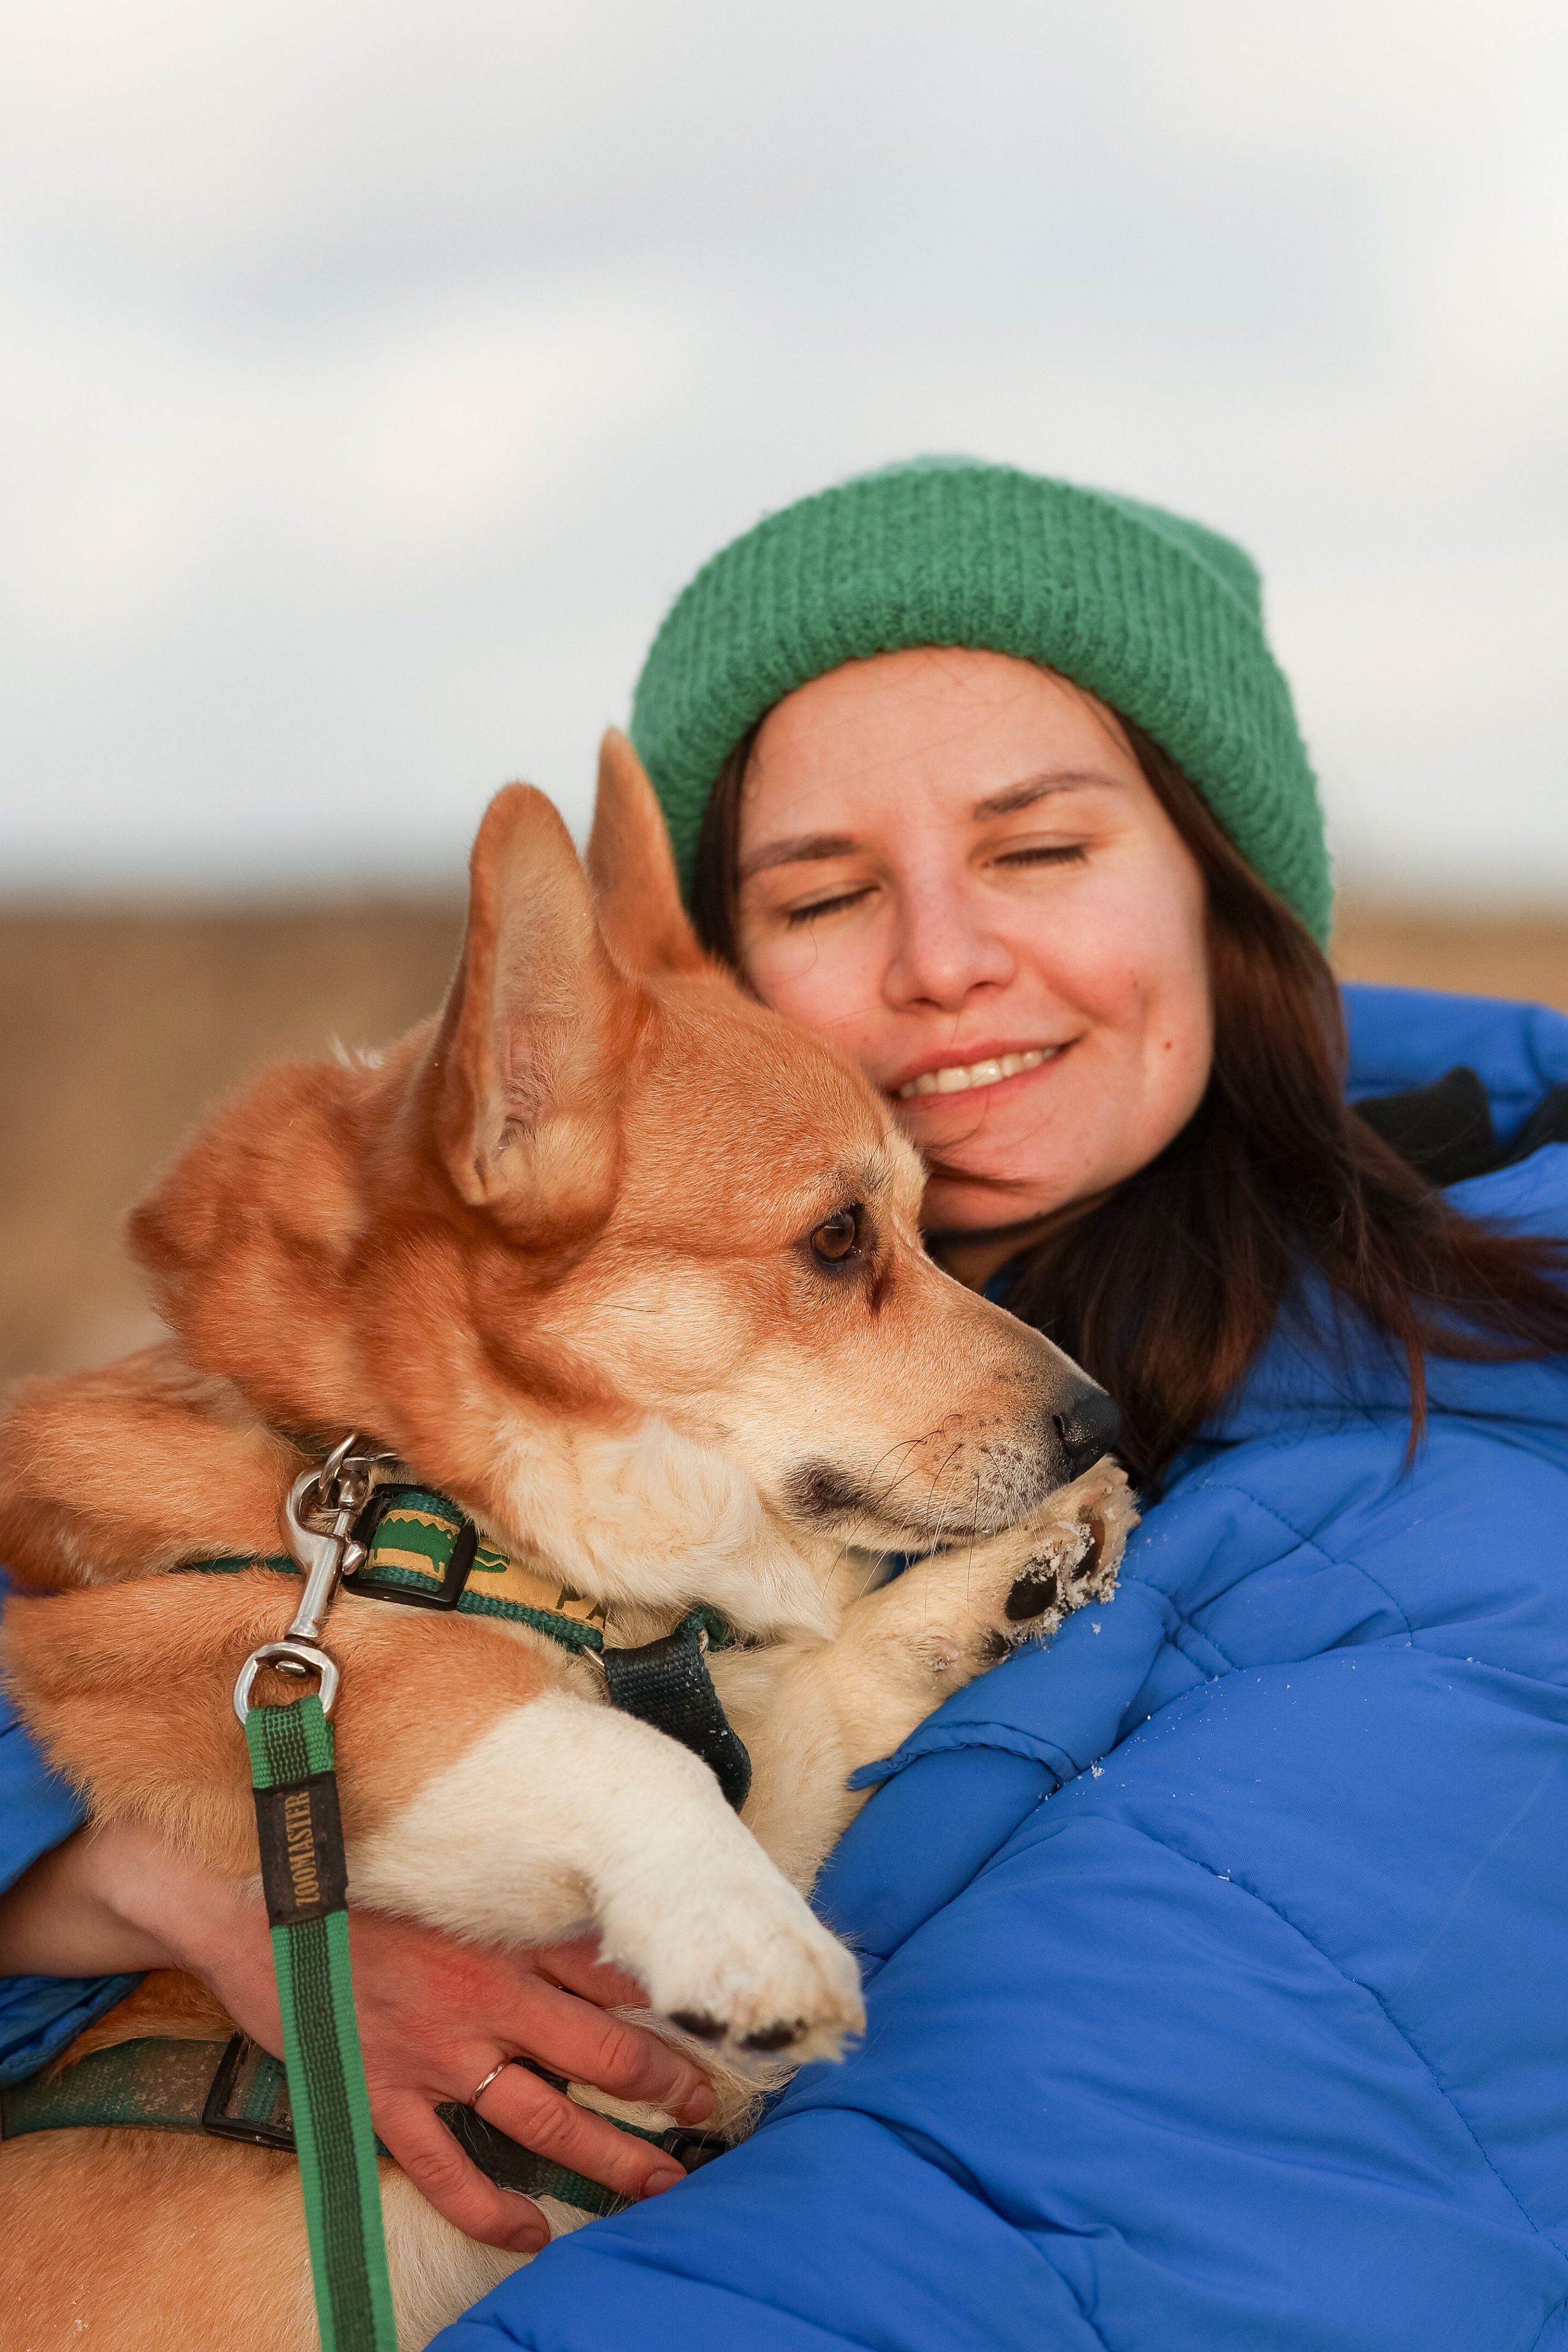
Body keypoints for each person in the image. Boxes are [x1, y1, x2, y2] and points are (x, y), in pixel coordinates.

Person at [7, 455, 1568, 2348]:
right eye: (827, 888)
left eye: (1043, 847)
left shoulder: (1476, 1521)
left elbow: (1002, 2227)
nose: (939, 959)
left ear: (1223, 884)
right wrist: (151, 1877)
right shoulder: (589, 1396)